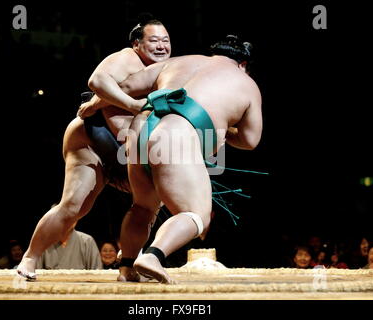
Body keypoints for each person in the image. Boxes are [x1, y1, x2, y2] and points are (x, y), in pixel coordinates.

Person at [93, 34, 262, 283]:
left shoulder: (179, 61)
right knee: (197, 215)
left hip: (140, 129)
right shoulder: (245, 82)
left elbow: (122, 86)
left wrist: (96, 105)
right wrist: (225, 129)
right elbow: (250, 140)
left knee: (142, 207)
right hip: (177, 135)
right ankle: (152, 256)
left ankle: (126, 268)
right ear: (243, 64)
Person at [16, 15, 171, 280]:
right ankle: (30, 258)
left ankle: (127, 266)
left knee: (148, 206)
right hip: (93, 139)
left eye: (166, 41)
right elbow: (97, 80)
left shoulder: (169, 72)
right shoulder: (127, 58)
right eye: (153, 40)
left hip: (129, 151)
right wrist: (132, 105)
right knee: (74, 206)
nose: (161, 46)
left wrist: (99, 102)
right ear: (136, 44)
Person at [36, 221, 102, 270]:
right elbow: (35, 274)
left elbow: (97, 274)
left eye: (71, 216)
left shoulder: (87, 241)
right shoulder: (43, 242)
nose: (68, 219)